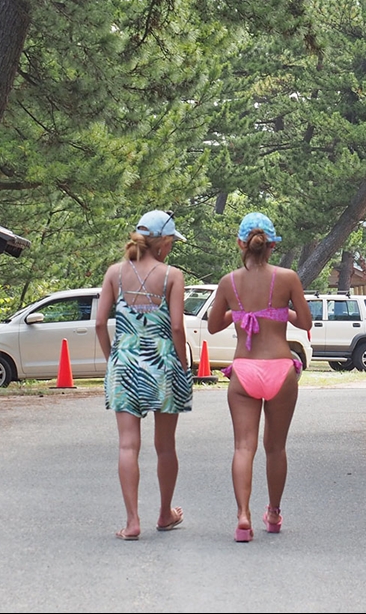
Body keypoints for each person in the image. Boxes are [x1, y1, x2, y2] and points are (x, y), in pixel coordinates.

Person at [207, 212, 312, 542]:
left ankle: (243, 516)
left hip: (245, 370)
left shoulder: (229, 282)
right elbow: (306, 322)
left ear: (241, 244)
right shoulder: (288, 278)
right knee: (275, 448)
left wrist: (240, 313)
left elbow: (213, 325)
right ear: (272, 246)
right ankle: (274, 513)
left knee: (243, 447)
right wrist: (279, 311)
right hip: (281, 368)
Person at [96, 209, 193, 541]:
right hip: (163, 363)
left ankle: (133, 521)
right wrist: (183, 362)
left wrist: (114, 357)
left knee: (127, 445)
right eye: (171, 243)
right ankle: (165, 514)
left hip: (124, 363)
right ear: (164, 243)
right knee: (165, 446)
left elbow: (99, 323)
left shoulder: (114, 273)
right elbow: (177, 326)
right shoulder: (172, 276)